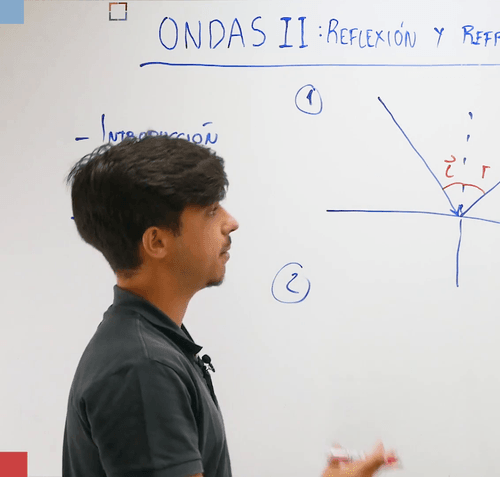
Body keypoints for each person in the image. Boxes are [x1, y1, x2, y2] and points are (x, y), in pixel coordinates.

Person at [62, 135, 395, 477]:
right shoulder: (143, 368)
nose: (230, 221)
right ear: (157, 242)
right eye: (210, 211)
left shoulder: (150, 345)